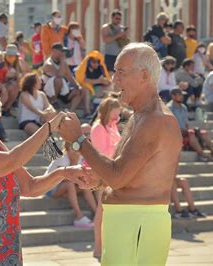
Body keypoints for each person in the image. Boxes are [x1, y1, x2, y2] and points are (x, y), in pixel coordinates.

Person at [59, 43, 182, 265]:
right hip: (132, 223)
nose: (114, 79)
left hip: (136, 223)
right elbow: (127, 175)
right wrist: (98, 180)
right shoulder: (142, 117)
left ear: (144, 75)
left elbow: (118, 176)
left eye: (121, 72)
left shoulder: (154, 119)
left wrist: (78, 139)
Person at [0, 84, 89, 265]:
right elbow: (10, 162)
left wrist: (63, 173)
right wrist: (48, 128)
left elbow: (30, 187)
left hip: (7, 255)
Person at [88, 97, 122, 260]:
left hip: (114, 172)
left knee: (111, 212)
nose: (117, 118)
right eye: (115, 115)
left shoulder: (112, 126)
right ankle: (98, 248)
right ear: (107, 112)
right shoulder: (97, 128)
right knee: (101, 211)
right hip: (103, 173)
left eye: (118, 115)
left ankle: (108, 246)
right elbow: (101, 153)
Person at [45, 141, 97, 227]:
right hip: (50, 188)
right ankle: (79, 216)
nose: (76, 152)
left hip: (65, 187)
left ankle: (96, 213)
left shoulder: (80, 158)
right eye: (73, 149)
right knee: (69, 184)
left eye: (77, 149)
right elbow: (64, 178)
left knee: (86, 186)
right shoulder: (61, 158)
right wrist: (74, 162)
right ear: (67, 149)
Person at [169, 88, 213, 162]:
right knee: (191, 133)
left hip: (184, 131)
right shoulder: (169, 108)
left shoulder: (184, 107)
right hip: (175, 133)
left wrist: (188, 129)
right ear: (173, 96)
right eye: (179, 95)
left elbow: (186, 123)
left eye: (182, 95)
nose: (182, 97)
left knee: (202, 133)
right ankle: (202, 154)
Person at [42, 43, 90, 117]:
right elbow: (59, 74)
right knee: (59, 80)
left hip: (62, 90)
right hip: (50, 92)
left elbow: (70, 77)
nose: (62, 53)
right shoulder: (48, 64)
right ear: (54, 51)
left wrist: (78, 86)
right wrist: (62, 60)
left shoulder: (62, 63)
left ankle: (75, 112)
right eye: (61, 51)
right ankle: (54, 101)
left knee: (82, 90)